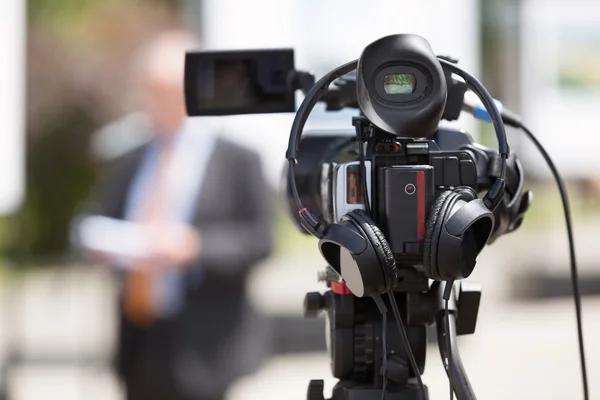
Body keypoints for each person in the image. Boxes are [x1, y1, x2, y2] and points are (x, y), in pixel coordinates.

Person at [72, 30, 273, 400]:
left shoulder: (237, 159)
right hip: (140, 337)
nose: (155, 101)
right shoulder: (130, 156)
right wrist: (99, 242)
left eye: (165, 89)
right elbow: (98, 218)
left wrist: (194, 247)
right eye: (149, 89)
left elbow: (259, 240)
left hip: (205, 340)